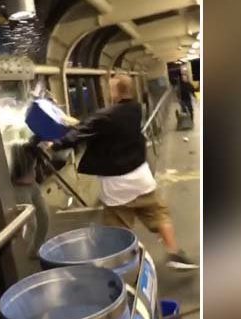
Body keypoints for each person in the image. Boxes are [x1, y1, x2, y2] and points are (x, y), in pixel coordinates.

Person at [49, 74, 198, 270]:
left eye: (110, 88)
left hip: (116, 186)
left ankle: (125, 267)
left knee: (117, 228)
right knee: (159, 214)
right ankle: (174, 253)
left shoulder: (105, 116)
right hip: (141, 177)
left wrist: (55, 144)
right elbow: (101, 125)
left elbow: (81, 132)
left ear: (116, 91)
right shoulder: (134, 109)